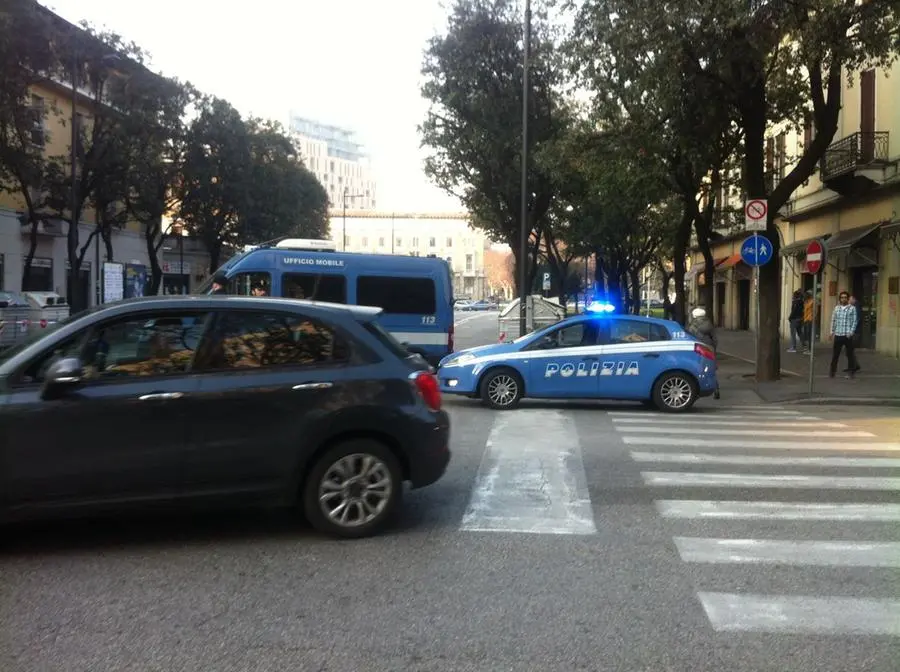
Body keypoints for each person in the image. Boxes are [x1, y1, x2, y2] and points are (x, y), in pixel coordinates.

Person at [687, 307, 720, 399]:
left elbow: (690, 338)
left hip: (698, 348)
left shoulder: (692, 325)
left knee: (697, 368)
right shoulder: (709, 324)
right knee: (710, 369)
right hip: (709, 348)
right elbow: (715, 339)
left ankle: (697, 389)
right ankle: (716, 389)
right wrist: (713, 348)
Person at [829, 290, 858, 379]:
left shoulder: (852, 308)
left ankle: (851, 372)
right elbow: (833, 320)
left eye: (845, 297)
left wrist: (851, 332)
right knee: (835, 355)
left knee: (850, 355)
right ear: (840, 299)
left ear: (848, 299)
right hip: (838, 334)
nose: (843, 299)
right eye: (842, 297)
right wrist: (831, 332)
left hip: (847, 335)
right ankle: (832, 372)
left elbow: (854, 321)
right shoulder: (836, 308)